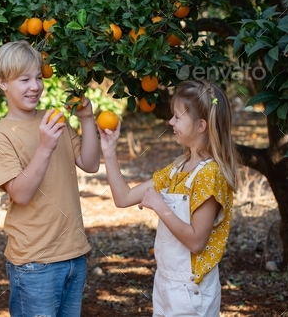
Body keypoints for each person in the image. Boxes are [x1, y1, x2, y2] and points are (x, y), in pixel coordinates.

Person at [99, 80, 238, 317]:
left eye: (177, 117)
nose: (171, 122)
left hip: (191, 290)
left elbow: (196, 242)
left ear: (201, 125)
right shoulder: (178, 169)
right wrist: (110, 152)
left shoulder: (210, 174)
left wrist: (160, 207)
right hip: (165, 283)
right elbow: (123, 198)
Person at [0, 40, 100, 316]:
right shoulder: (1, 136)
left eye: (38, 77)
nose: (35, 86)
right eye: (24, 79)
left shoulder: (53, 119)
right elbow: (21, 194)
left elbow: (91, 163)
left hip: (74, 255)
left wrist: (87, 119)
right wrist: (45, 147)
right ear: (3, 83)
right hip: (34, 263)